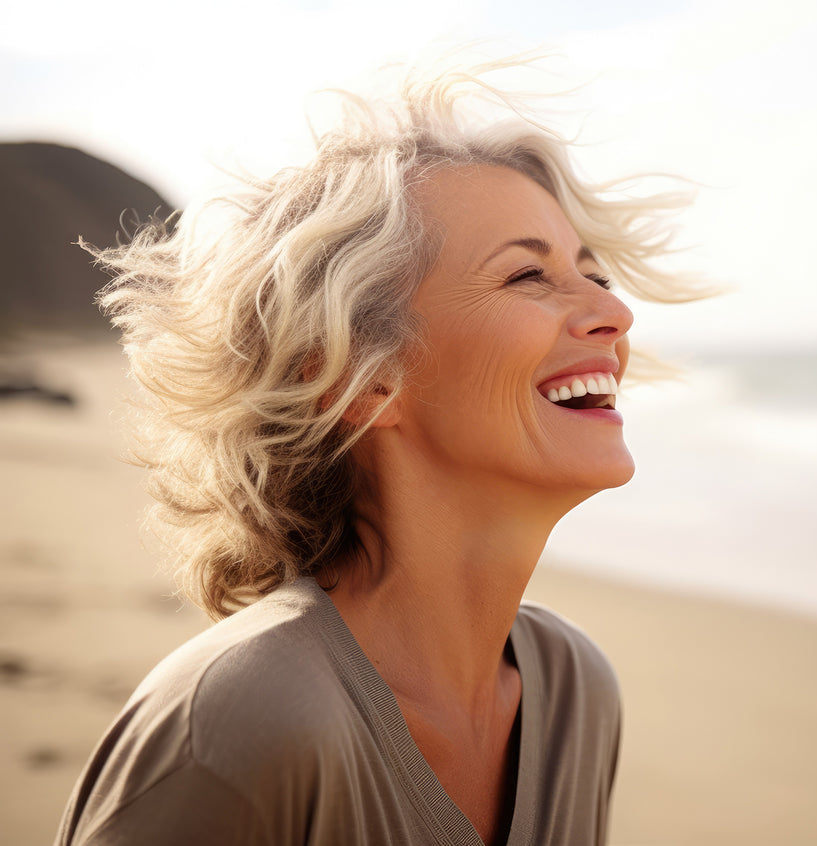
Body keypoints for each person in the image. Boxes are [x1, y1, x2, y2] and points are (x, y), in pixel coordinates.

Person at [54, 60, 705, 845]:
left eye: (594, 274)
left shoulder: (573, 693)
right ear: (360, 380)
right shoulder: (240, 720)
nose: (613, 312)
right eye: (529, 275)